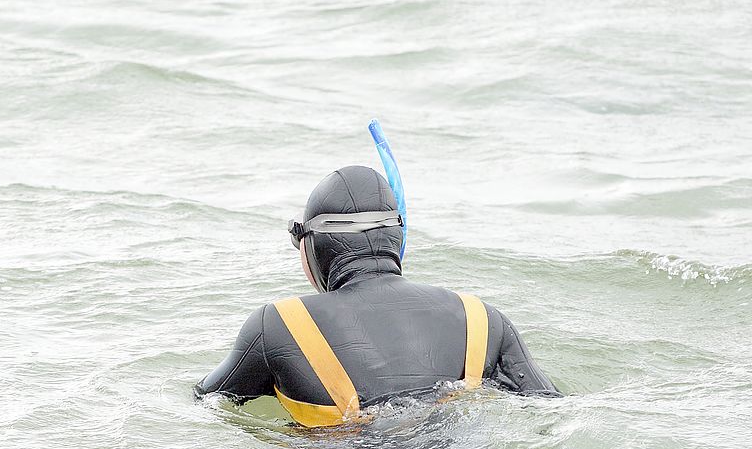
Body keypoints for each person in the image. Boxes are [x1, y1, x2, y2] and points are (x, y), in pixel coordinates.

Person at [194, 165, 561, 427]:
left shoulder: (278, 325)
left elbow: (207, 403)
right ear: (398, 239)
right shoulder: (483, 318)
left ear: (312, 246)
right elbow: (550, 411)